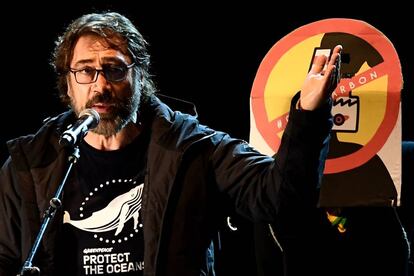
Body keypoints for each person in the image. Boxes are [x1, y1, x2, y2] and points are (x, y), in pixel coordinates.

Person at [0, 11, 341, 276]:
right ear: (69, 83)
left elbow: (280, 197)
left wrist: (308, 114)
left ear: (140, 76)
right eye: (86, 71)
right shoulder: (29, 164)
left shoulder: (194, 149)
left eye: (115, 70)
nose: (100, 85)